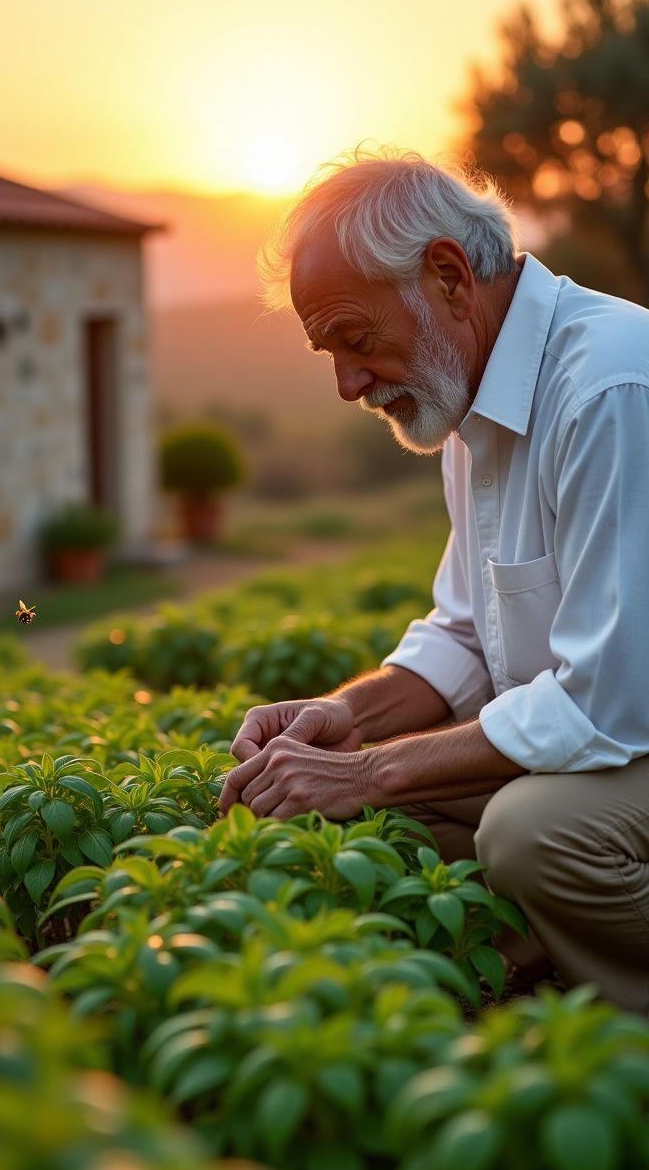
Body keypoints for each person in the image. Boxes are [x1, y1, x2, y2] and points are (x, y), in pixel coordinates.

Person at [218, 148, 649, 1014]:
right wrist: (341, 721)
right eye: (326, 352)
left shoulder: (609, 386)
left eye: (355, 338)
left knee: (529, 835)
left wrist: (367, 773)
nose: (345, 383)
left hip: (628, 729)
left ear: (449, 276)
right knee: (380, 813)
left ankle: (608, 1040)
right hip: (616, 739)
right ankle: (538, 963)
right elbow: (463, 634)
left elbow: (608, 705)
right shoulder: (472, 403)